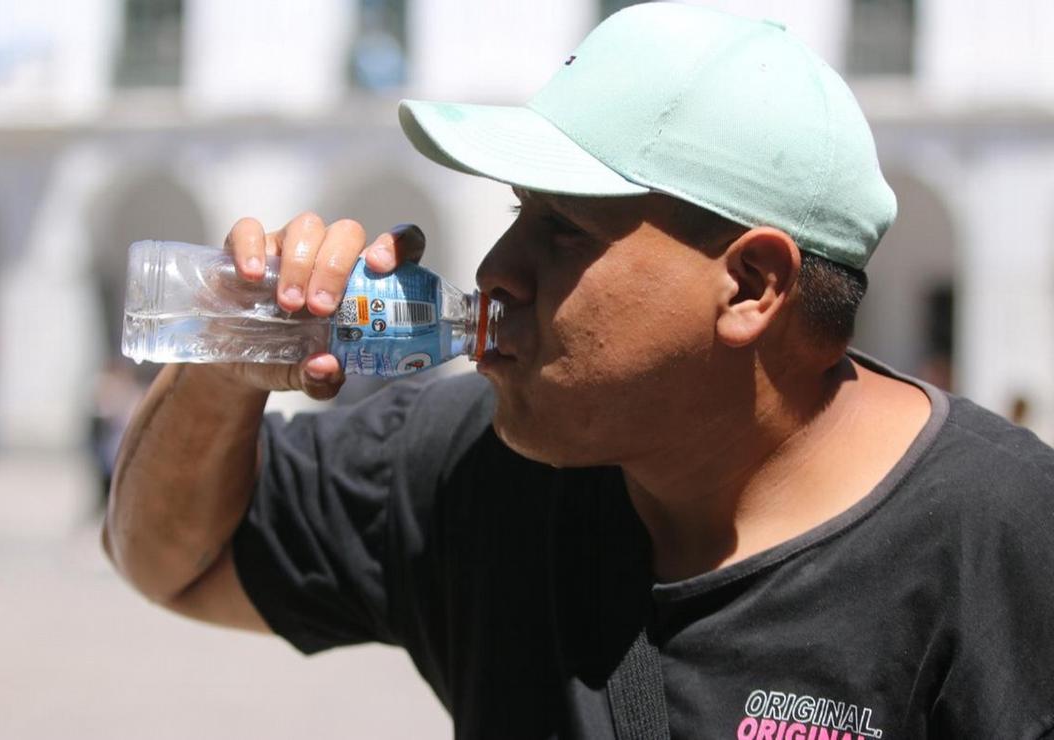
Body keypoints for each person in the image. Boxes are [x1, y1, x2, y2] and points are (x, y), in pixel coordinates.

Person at [104, 5, 1054, 738]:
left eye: (562, 229)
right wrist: (225, 361)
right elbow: (177, 566)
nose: (493, 271)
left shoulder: (1003, 544)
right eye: (519, 211)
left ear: (752, 285)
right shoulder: (476, 461)